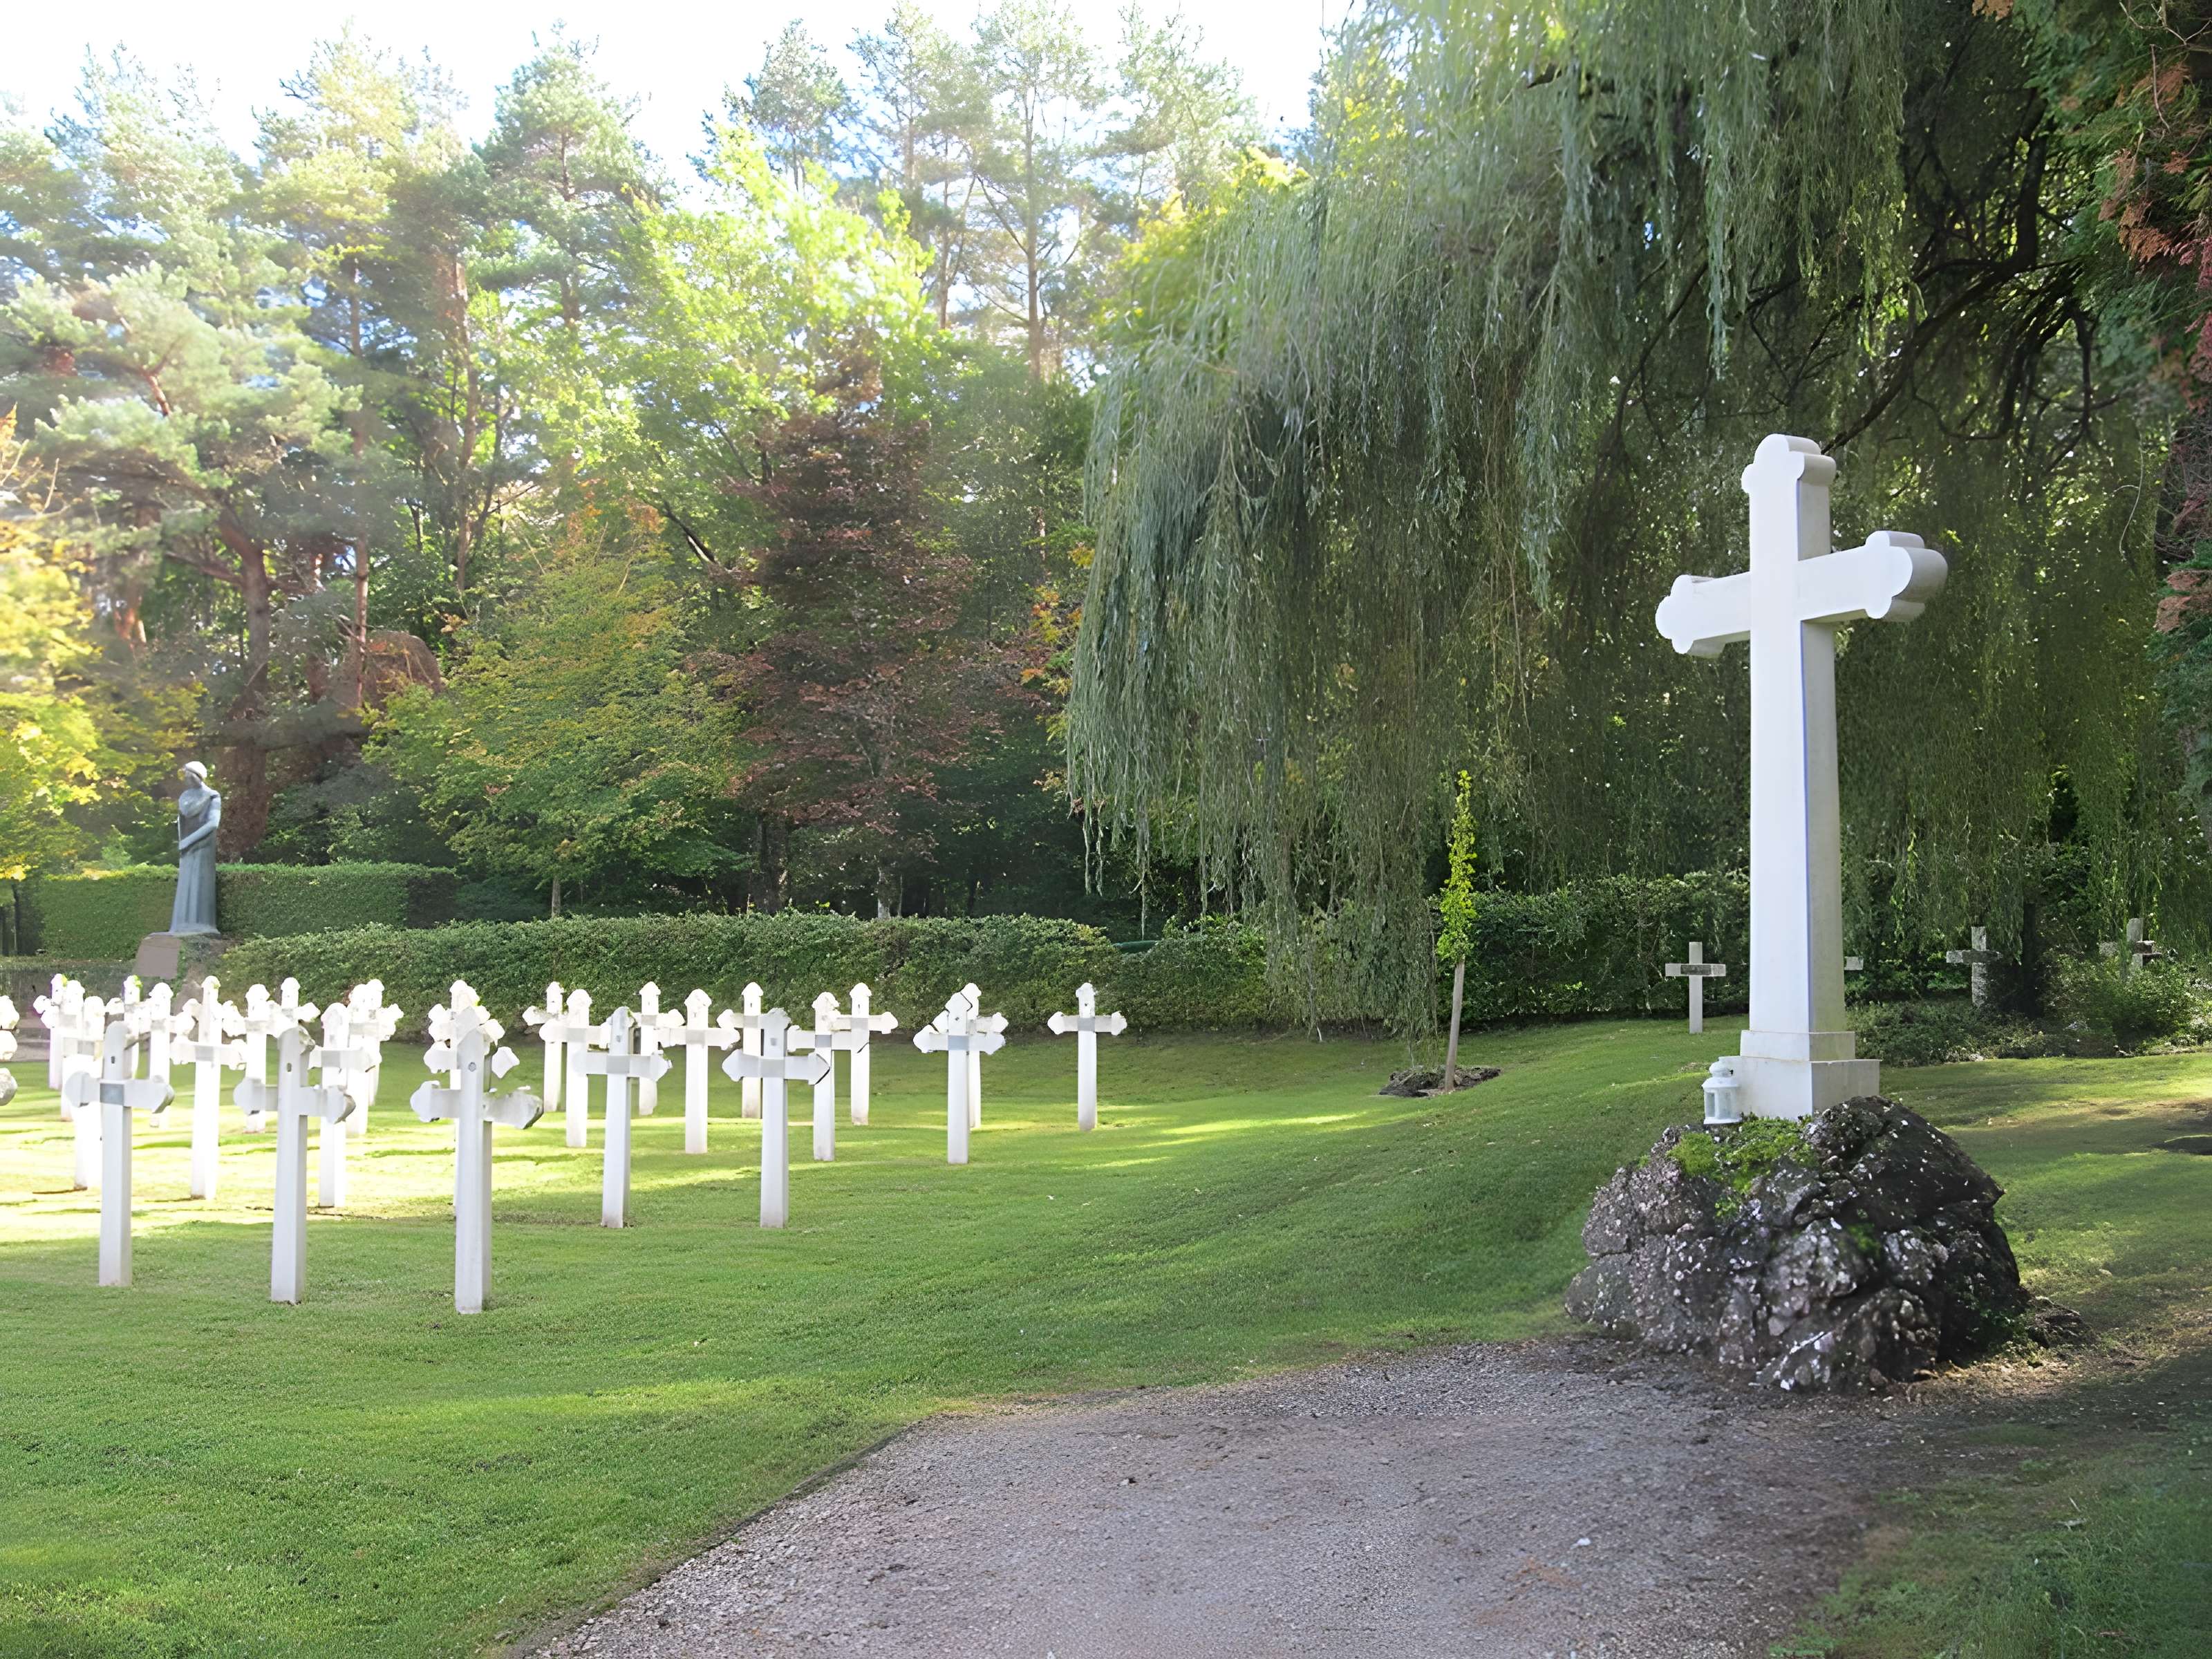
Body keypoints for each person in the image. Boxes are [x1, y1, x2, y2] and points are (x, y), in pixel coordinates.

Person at [170, 762, 221, 935]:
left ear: (195, 775)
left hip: (202, 846)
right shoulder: (185, 796)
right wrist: (182, 842)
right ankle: (181, 924)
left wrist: (189, 841)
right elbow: (182, 821)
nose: (184, 777)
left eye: (187, 774)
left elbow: (213, 824)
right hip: (186, 848)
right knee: (186, 883)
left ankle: (199, 924)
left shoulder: (212, 796)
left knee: (200, 882)